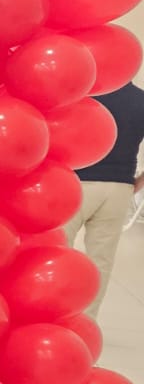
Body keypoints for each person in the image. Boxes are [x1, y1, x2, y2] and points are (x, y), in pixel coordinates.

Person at [66, 81, 144, 317]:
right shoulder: (141, 99)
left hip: (75, 183)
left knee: (58, 252)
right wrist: (138, 182)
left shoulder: (81, 95)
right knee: (101, 259)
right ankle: (87, 320)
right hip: (119, 187)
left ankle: (56, 315)